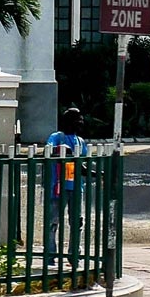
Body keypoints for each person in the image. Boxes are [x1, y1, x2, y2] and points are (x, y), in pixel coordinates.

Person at [45, 108, 88, 257]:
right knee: (53, 222)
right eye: (78, 120)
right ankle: (50, 254)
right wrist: (62, 149)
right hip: (57, 187)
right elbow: (48, 150)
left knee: (77, 223)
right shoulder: (57, 137)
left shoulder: (80, 141)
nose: (81, 123)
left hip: (76, 188)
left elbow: (81, 166)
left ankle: (74, 254)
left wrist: (97, 174)